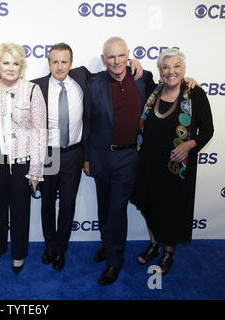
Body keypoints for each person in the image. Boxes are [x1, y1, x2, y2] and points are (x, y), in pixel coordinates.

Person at [31, 43, 143, 271]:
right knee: (47, 203)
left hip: (74, 154)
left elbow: (114, 68)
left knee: (68, 205)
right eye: (55, 61)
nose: (59, 66)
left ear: (71, 64)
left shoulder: (83, 77)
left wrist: (133, 63)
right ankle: (49, 245)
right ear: (49, 63)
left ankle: (60, 249)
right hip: (49, 154)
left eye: (64, 61)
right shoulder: (36, 86)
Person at [130, 48, 214, 275]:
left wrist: (188, 145)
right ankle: (154, 243)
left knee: (171, 208)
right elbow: (130, 69)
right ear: (159, 70)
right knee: (149, 204)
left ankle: (168, 251)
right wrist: (131, 59)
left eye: (176, 66)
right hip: (149, 162)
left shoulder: (195, 94)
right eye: (165, 67)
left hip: (177, 166)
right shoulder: (152, 91)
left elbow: (207, 131)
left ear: (184, 69)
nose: (171, 71)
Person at [84, 37, 156, 285]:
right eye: (111, 57)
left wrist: (189, 83)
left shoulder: (142, 79)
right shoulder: (93, 83)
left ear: (128, 56)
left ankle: (115, 261)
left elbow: (169, 90)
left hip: (129, 157)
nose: (116, 61)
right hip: (101, 156)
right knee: (104, 207)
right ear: (104, 60)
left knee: (116, 209)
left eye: (121, 56)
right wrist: (86, 157)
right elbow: (87, 123)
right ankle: (107, 243)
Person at [0, 43, 47, 274]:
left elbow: (40, 130)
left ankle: (19, 254)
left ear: (22, 66)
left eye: (16, 63)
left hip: (22, 162)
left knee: (20, 210)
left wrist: (36, 170)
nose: (11, 68)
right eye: (6, 62)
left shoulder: (32, 89)